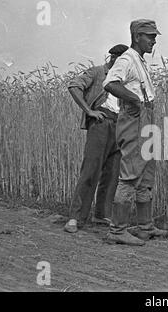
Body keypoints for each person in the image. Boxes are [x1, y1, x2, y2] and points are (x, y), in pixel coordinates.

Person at [103, 19, 167, 246]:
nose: (154, 40)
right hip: (134, 120)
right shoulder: (127, 58)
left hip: (145, 119)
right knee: (130, 175)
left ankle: (144, 227)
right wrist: (133, 99)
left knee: (146, 174)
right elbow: (110, 83)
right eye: (150, 36)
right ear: (137, 36)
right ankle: (117, 230)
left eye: (154, 36)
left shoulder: (139, 61)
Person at [64, 44, 129, 233]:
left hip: (120, 126)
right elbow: (74, 86)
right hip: (101, 123)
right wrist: (89, 110)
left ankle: (101, 214)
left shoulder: (123, 79)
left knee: (112, 173)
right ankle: (75, 217)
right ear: (113, 58)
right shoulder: (97, 72)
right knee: (91, 170)